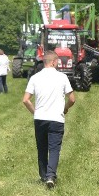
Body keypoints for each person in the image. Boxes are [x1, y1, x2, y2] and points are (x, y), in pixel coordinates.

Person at [22, 50, 76, 188]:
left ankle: (43, 175)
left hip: (40, 118)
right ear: (53, 62)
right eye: (57, 61)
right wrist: (65, 108)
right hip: (56, 119)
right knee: (54, 148)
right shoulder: (62, 77)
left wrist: (35, 112)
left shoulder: (35, 78)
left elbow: (26, 100)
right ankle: (51, 176)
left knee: (41, 148)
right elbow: (72, 99)